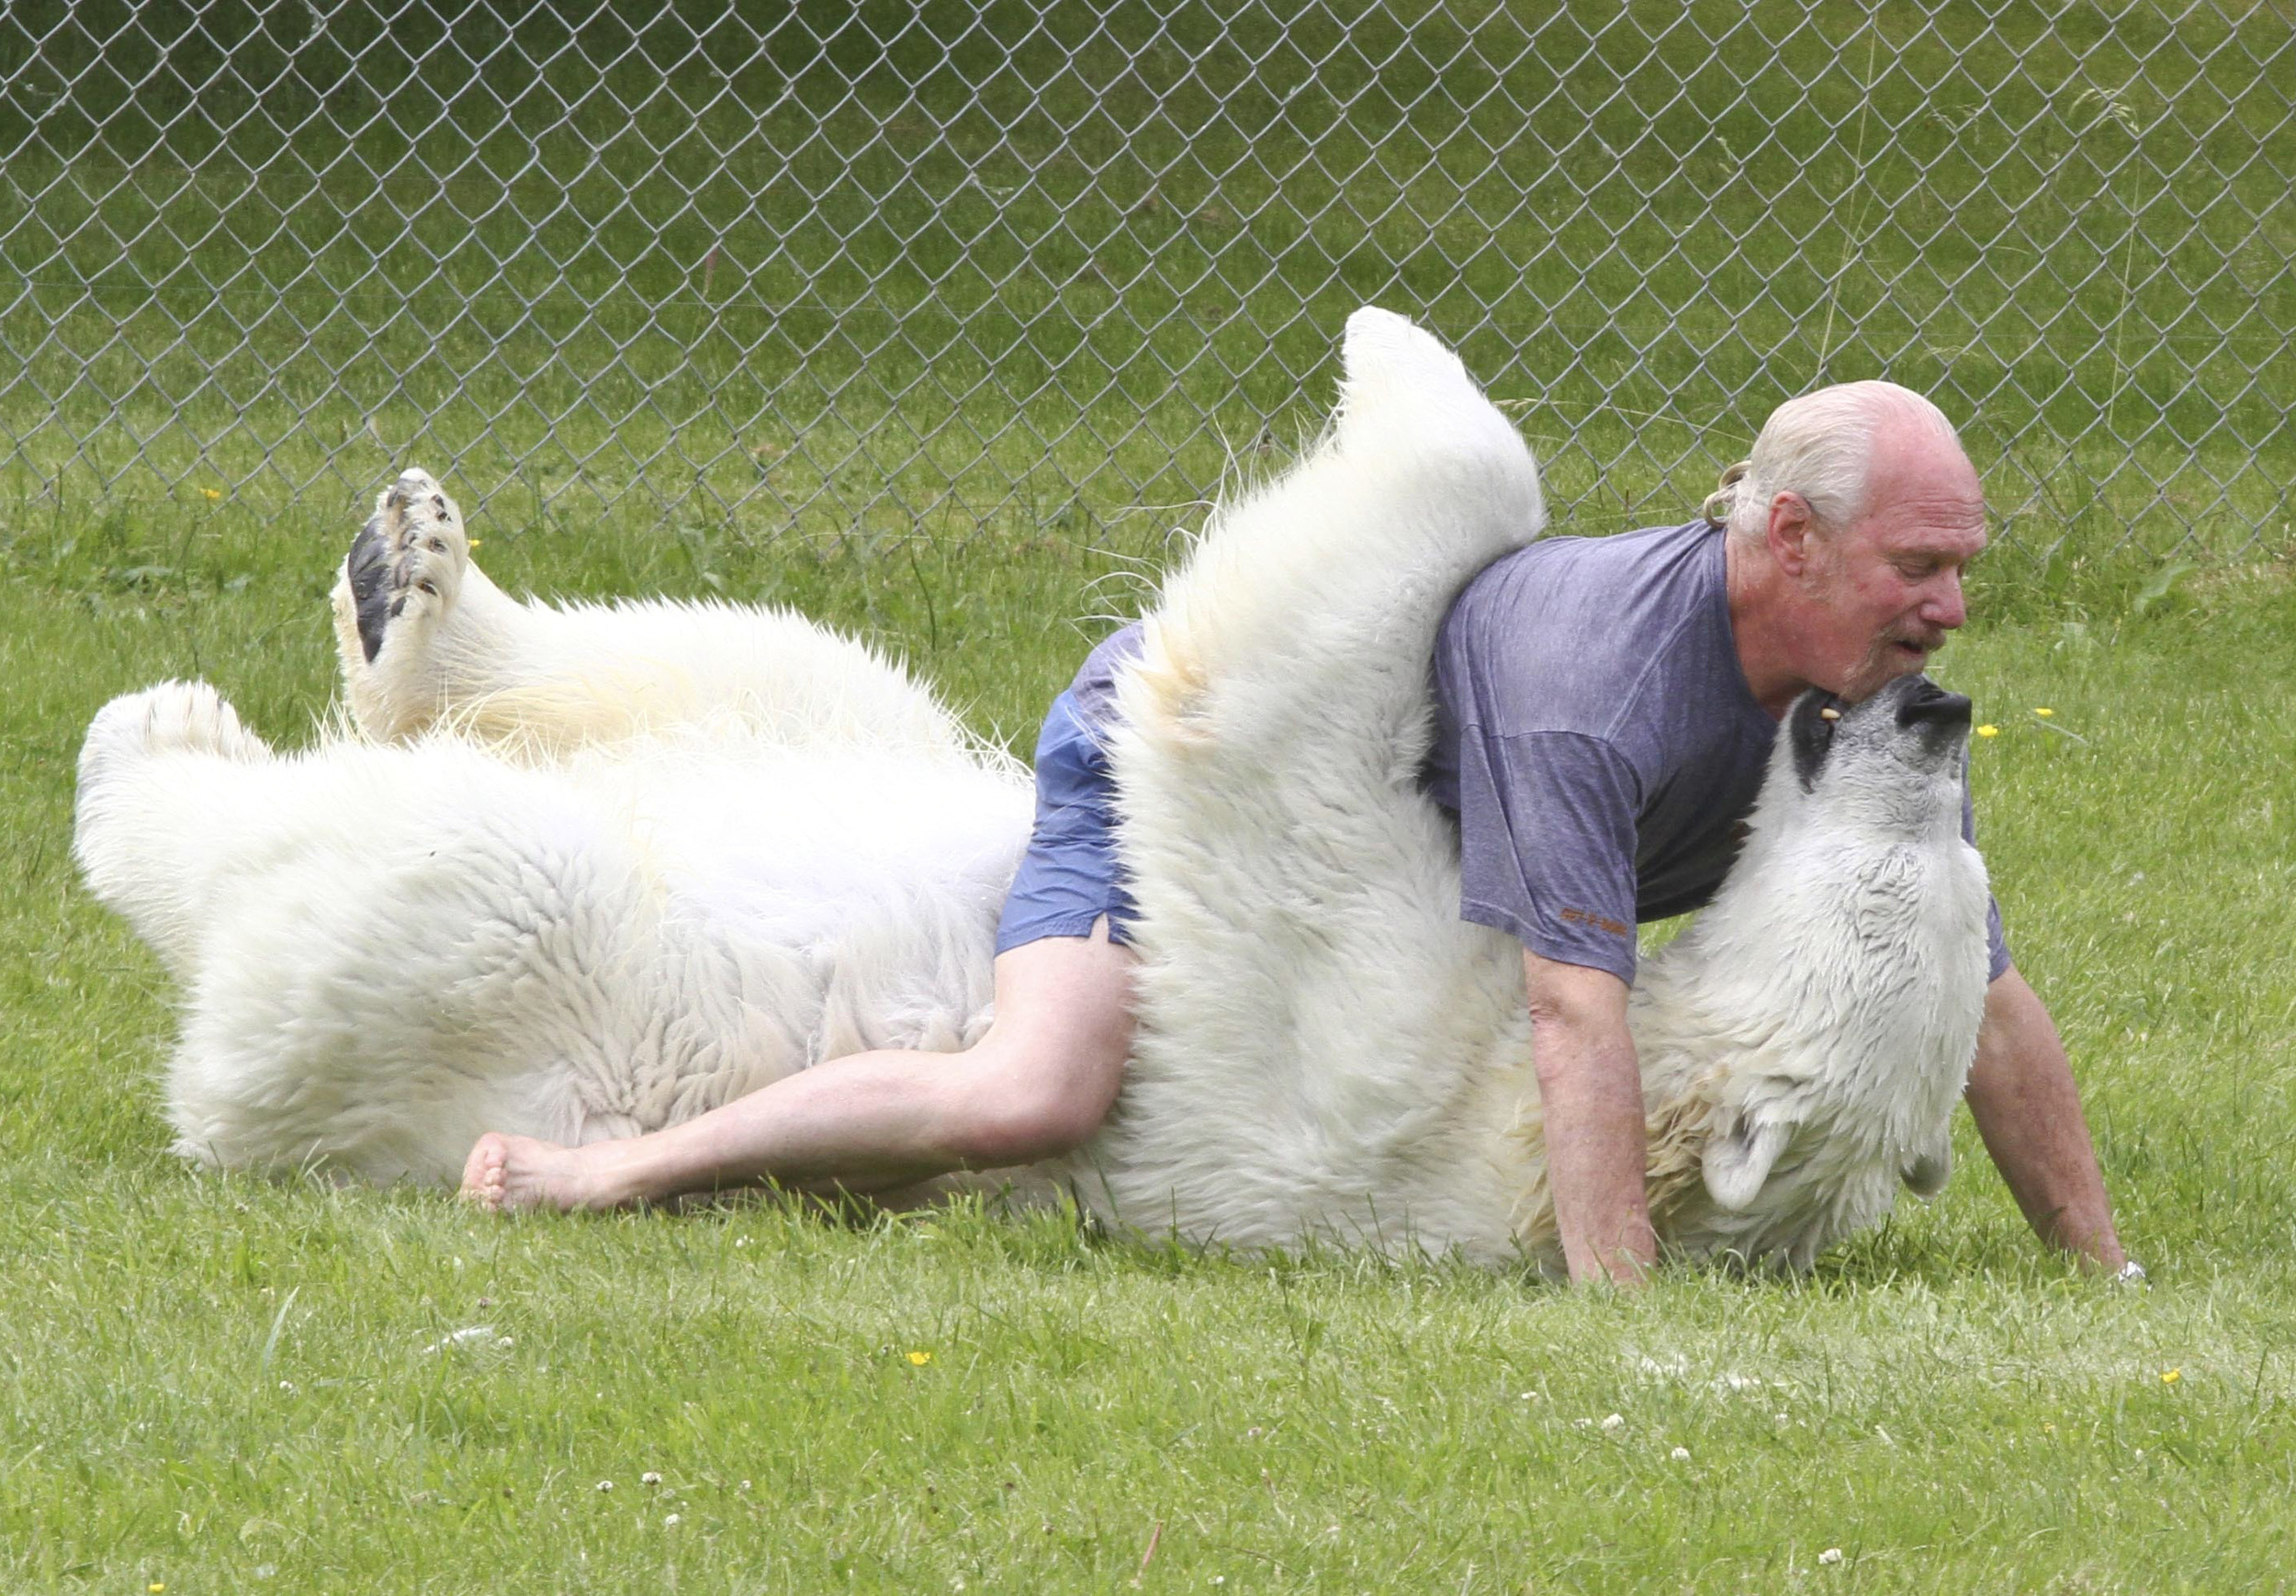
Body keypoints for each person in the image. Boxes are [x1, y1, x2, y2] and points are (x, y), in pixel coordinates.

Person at [461, 380, 2133, 1290]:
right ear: (1789, 536)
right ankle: (611, 1173)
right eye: (1924, 563)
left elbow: (1980, 991)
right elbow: (1571, 1005)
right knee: (1034, 1090)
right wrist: (1627, 1304)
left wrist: (2099, 1272)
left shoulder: (1861, 707)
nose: (1953, 604)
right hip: (1190, 772)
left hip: (1340, 881)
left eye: (1961, 564)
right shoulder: (1593, 690)